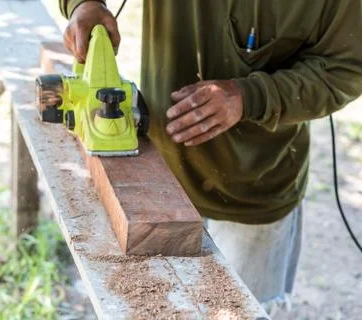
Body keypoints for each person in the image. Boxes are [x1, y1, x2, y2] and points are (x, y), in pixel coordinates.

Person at [59, 0, 362, 312]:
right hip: (160, 176)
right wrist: (84, 5)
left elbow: (345, 68)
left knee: (245, 311)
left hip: (253, 189)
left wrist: (250, 97)